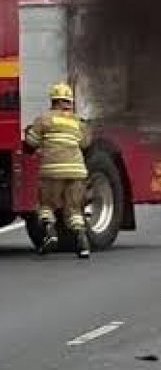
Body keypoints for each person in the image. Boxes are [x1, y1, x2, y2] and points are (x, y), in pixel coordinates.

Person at [23, 82, 91, 258]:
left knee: (46, 205)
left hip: (52, 171)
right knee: (74, 209)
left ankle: (51, 234)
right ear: (69, 102)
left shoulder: (44, 119)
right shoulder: (77, 122)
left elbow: (31, 142)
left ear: (53, 101)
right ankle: (83, 243)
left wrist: (30, 133)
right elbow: (85, 143)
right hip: (77, 171)